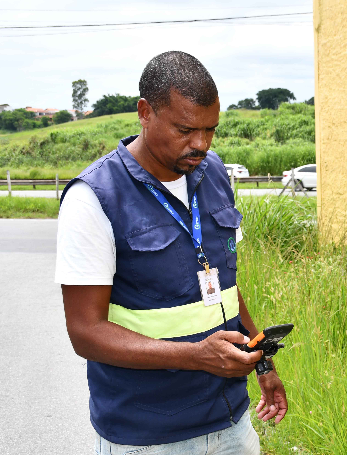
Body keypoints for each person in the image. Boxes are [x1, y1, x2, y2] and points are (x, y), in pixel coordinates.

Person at [55, 51, 287, 455]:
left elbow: (224, 287)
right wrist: (195, 356)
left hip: (231, 422)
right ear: (145, 112)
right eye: (185, 129)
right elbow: (85, 332)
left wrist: (262, 361)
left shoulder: (212, 173)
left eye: (210, 129)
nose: (200, 144)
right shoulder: (94, 198)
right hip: (147, 435)